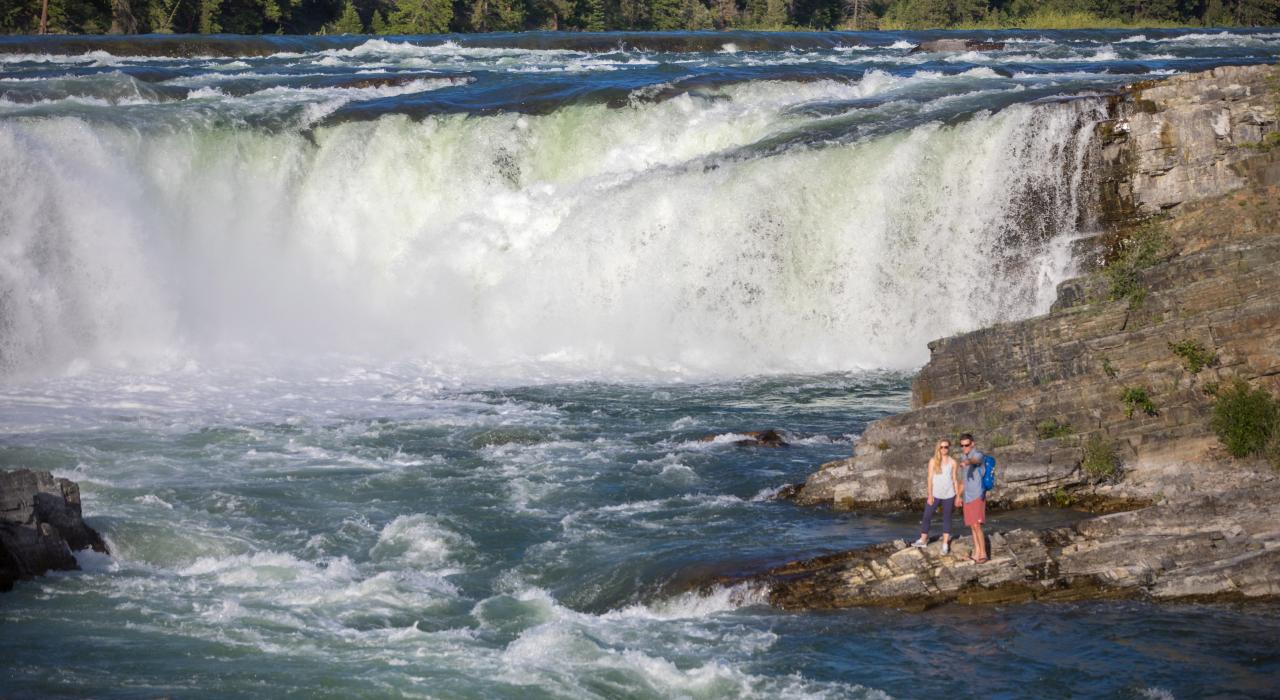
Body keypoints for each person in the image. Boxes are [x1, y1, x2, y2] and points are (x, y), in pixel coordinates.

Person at [911, 439, 962, 554]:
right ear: (938, 448)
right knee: (927, 515)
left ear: (949, 448)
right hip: (935, 494)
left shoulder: (953, 462)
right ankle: (923, 539)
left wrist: (958, 495)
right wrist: (930, 495)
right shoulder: (933, 461)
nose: (944, 449)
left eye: (946, 447)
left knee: (947, 518)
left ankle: (945, 544)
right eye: (941, 447)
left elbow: (955, 479)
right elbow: (929, 478)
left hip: (949, 494)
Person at [956, 433, 989, 563]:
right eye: (962, 445)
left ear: (972, 444)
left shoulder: (978, 454)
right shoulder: (963, 457)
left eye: (967, 445)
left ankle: (983, 554)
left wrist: (968, 462)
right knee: (972, 526)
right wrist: (958, 496)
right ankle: (976, 553)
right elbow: (963, 481)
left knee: (977, 525)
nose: (964, 447)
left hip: (977, 494)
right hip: (967, 496)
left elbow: (977, 461)